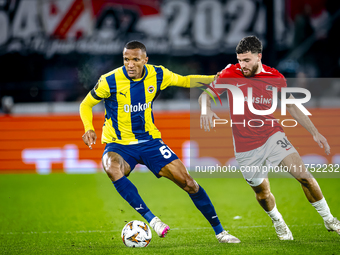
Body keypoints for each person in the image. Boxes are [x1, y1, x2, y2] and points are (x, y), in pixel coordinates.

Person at [80, 40, 240, 243]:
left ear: (145, 60)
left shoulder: (158, 74)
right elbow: (86, 104)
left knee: (189, 184)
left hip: (150, 142)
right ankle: (153, 221)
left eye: (135, 60)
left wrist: (214, 78)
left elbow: (185, 81)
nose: (130, 64)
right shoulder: (109, 80)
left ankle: (221, 232)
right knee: (110, 167)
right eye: (126, 59)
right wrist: (88, 128)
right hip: (118, 144)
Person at [199, 36, 340, 240]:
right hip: (245, 146)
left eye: (247, 60)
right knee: (263, 193)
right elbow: (205, 95)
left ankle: (329, 219)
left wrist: (315, 131)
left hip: (272, 135)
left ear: (259, 56)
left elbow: (291, 105)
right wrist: (206, 109)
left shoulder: (275, 77)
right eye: (239, 60)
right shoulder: (230, 73)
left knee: (304, 176)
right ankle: (278, 221)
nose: (242, 65)